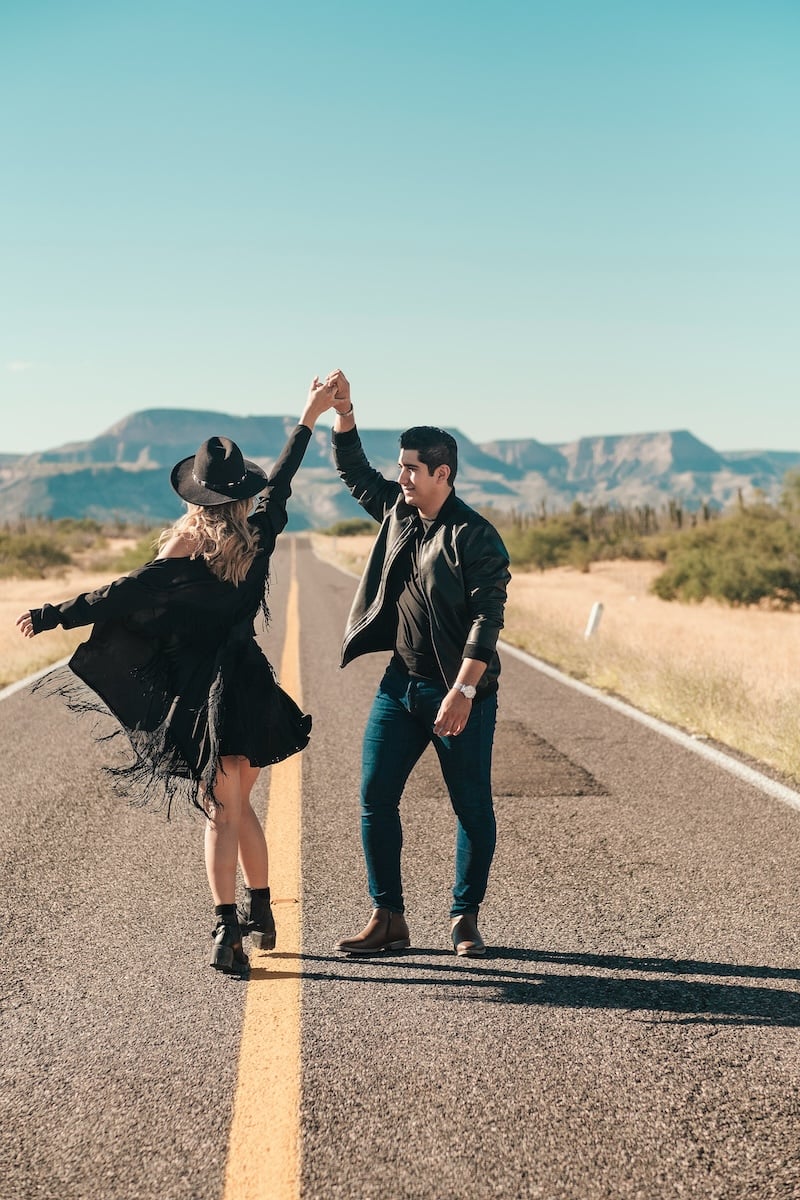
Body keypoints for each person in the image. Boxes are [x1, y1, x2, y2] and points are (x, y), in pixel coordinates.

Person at [16, 376, 339, 979]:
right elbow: (284, 475)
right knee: (240, 805)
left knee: (220, 811)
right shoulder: (260, 533)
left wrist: (53, 615)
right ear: (241, 495)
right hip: (251, 685)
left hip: (203, 694)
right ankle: (263, 912)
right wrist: (309, 414)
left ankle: (226, 930)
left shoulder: (181, 554)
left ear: (196, 497)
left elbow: (120, 594)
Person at [326, 370, 511, 957]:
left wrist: (463, 691)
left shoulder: (475, 536)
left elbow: (487, 620)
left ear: (442, 474)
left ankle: (465, 917)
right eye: (401, 467)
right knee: (375, 797)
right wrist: (345, 413)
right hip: (399, 687)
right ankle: (388, 917)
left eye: (411, 469)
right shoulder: (398, 512)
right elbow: (355, 472)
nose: (401, 477)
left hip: (458, 693)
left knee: (471, 808)